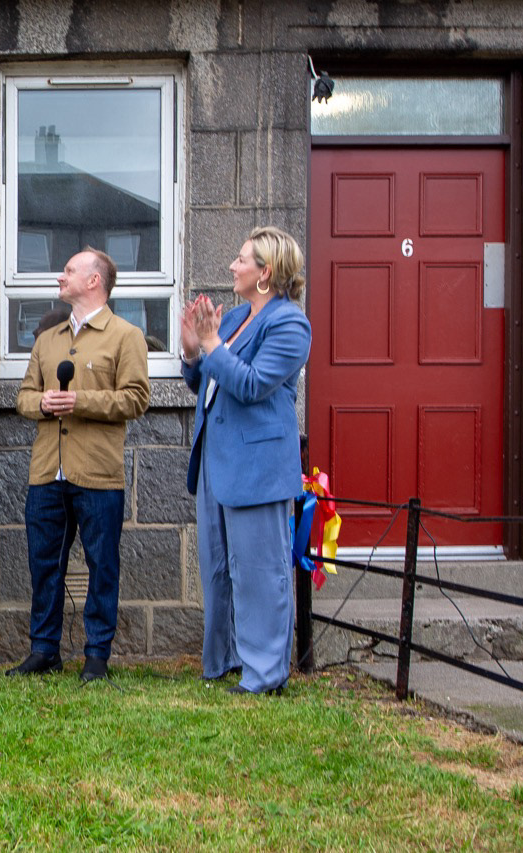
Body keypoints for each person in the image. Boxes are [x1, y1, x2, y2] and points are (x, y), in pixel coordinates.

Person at [8, 248, 150, 682]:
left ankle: (96, 656)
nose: (60, 276)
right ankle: (44, 649)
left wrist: (79, 401)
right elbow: (23, 398)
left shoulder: (126, 335)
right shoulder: (48, 339)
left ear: (94, 281)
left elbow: (136, 398)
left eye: (69, 270)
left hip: (97, 474)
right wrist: (43, 403)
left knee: (102, 565)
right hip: (47, 471)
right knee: (43, 564)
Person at [181, 226, 312, 695]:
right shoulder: (235, 317)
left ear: (266, 272)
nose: (232, 267)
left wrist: (212, 345)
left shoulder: (290, 324)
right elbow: (208, 384)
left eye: (241, 260)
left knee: (260, 571)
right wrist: (193, 351)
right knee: (218, 567)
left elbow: (253, 385)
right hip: (219, 461)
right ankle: (225, 659)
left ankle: (265, 674)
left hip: (257, 467)